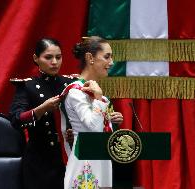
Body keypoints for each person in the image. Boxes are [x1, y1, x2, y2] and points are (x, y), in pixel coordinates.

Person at [9, 38, 77, 189]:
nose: (54, 62)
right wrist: (42, 109)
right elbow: (16, 119)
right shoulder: (27, 86)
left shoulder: (71, 84)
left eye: (58, 57)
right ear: (36, 58)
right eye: (48, 57)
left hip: (69, 157)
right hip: (39, 161)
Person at [60, 36, 123, 189]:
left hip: (101, 159)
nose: (111, 62)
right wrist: (100, 99)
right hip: (85, 161)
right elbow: (93, 128)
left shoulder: (95, 93)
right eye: (107, 57)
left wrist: (112, 122)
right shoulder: (76, 92)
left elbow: (101, 129)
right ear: (90, 58)